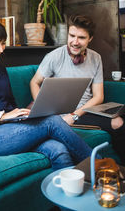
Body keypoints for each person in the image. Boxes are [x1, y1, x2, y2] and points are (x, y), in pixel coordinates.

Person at [0, 16, 94, 171]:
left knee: (58, 149)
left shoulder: (0, 69)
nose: (1, 49)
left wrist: (23, 115)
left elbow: (10, 104)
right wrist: (1, 116)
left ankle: (69, 192)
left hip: (9, 129)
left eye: (3, 43)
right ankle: (100, 167)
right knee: (52, 121)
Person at [30, 14, 125, 165]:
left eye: (81, 37)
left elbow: (98, 96)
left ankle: (119, 169)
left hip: (84, 112)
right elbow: (34, 82)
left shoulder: (96, 58)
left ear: (90, 39)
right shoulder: (54, 56)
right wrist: (43, 109)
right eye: (71, 35)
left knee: (119, 122)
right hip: (60, 114)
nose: (75, 42)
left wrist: (74, 116)